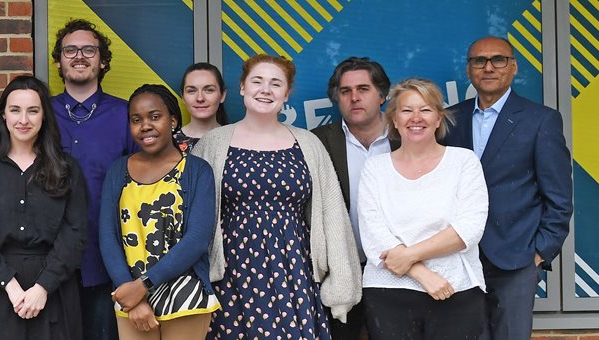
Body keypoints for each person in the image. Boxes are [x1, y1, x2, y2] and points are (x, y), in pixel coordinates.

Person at [191, 54, 361, 339]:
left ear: (287, 93)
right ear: (243, 88)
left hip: (293, 270)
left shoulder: (307, 143)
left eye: (275, 84)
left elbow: (332, 215)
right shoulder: (213, 143)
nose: (265, 90)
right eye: (257, 81)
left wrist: (343, 284)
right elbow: (192, 215)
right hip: (231, 274)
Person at [442, 36, 573, 339]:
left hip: (515, 260)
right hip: (458, 257)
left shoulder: (541, 121)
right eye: (479, 61)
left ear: (513, 67)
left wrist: (538, 255)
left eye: (498, 60)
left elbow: (559, 199)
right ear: (468, 70)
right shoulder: (449, 120)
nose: (488, 67)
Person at [358, 78, 488, 339]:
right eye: (406, 110)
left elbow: (469, 229)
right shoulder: (375, 167)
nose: (416, 118)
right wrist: (422, 273)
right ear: (394, 119)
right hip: (388, 294)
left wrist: (408, 256)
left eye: (426, 109)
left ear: (439, 118)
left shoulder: (464, 162)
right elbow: (374, 234)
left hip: (455, 287)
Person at [0, 75, 87, 340]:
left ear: (44, 117)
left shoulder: (67, 169)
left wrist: (42, 287)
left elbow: (75, 233)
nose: (24, 119)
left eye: (33, 111)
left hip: (55, 289)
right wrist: (11, 286)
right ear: (3, 117)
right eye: (15, 110)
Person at [101, 84, 218, 340]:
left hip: (184, 294)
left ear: (173, 120)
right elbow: (108, 237)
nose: (145, 125)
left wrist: (143, 285)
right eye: (136, 119)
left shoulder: (197, 171)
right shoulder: (117, 170)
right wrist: (130, 294)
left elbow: (197, 239)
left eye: (155, 116)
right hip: (130, 296)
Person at [50, 18, 136, 340]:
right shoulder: (40, 115)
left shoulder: (126, 116)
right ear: (59, 60)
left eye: (89, 49)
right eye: (70, 50)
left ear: (103, 60)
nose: (79, 56)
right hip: (49, 261)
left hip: (107, 260)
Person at [310, 56, 394, 339]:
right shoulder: (317, 142)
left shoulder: (407, 136)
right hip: (342, 271)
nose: (354, 98)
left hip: (399, 269)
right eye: (346, 91)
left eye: (364, 89)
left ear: (382, 95)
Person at [177, 63, 228, 151]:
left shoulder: (236, 140)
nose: (200, 98)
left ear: (222, 95)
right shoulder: (170, 143)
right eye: (192, 91)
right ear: (183, 97)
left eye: (209, 90)